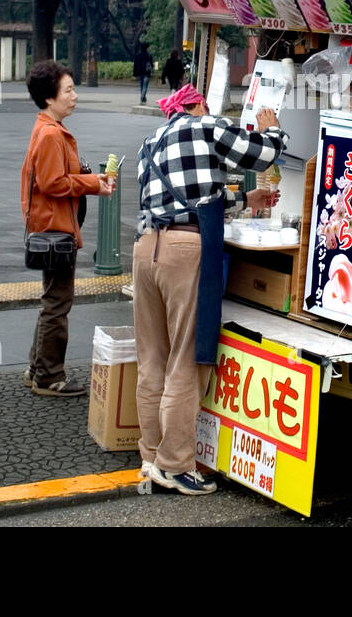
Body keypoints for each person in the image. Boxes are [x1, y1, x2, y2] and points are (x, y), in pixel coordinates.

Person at [133, 83, 285, 495]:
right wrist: (273, 130)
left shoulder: (151, 142)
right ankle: (176, 465)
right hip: (186, 251)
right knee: (188, 359)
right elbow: (261, 154)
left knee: (153, 359)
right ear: (197, 105)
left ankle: (149, 456)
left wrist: (245, 199)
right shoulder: (204, 126)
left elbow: (192, 198)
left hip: (147, 249)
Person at [20, 60, 115, 396]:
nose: (74, 95)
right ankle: (49, 376)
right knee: (58, 303)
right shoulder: (50, 134)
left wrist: (90, 182)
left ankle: (37, 368)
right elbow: (52, 182)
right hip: (55, 229)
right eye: (68, 90)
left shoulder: (49, 129)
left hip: (53, 226)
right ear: (50, 98)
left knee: (52, 300)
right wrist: (92, 183)